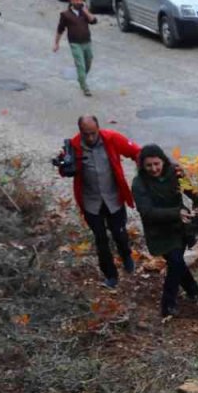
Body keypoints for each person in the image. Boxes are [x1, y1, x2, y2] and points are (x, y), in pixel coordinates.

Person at [68, 115, 141, 289]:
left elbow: (137, 152)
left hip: (113, 198)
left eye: (93, 133)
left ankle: (126, 256)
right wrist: (64, 166)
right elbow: (67, 170)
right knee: (101, 239)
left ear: (99, 128)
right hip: (91, 202)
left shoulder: (112, 138)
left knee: (120, 234)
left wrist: (145, 173)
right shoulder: (73, 145)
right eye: (86, 134)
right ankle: (110, 274)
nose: (91, 138)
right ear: (80, 132)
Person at [130, 145, 198, 316]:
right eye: (149, 166)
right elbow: (147, 212)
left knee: (176, 262)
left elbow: (192, 192)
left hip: (180, 227)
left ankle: (192, 291)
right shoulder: (139, 183)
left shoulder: (175, 173)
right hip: (159, 231)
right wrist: (176, 213)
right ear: (142, 166)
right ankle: (168, 304)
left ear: (163, 161)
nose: (154, 169)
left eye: (157, 164)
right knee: (176, 261)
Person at [54, 0, 97, 97]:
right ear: (71, 1)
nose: (79, 3)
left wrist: (86, 11)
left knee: (88, 61)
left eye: (80, 1)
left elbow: (94, 21)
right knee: (80, 65)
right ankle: (84, 87)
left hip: (87, 41)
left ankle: (81, 77)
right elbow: (60, 30)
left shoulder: (84, 13)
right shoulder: (65, 15)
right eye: (77, 1)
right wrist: (56, 43)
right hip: (75, 43)